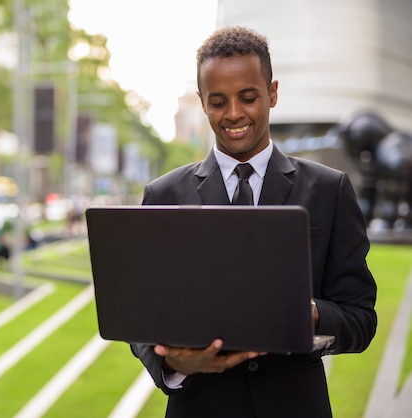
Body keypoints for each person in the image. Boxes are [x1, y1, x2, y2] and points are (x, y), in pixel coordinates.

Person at [130, 26, 377, 417]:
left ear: (272, 93)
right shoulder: (164, 196)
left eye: (248, 97)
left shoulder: (330, 189)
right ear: (202, 103)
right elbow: (140, 319)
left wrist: (309, 313)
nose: (233, 114)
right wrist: (176, 365)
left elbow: (361, 318)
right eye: (217, 102)